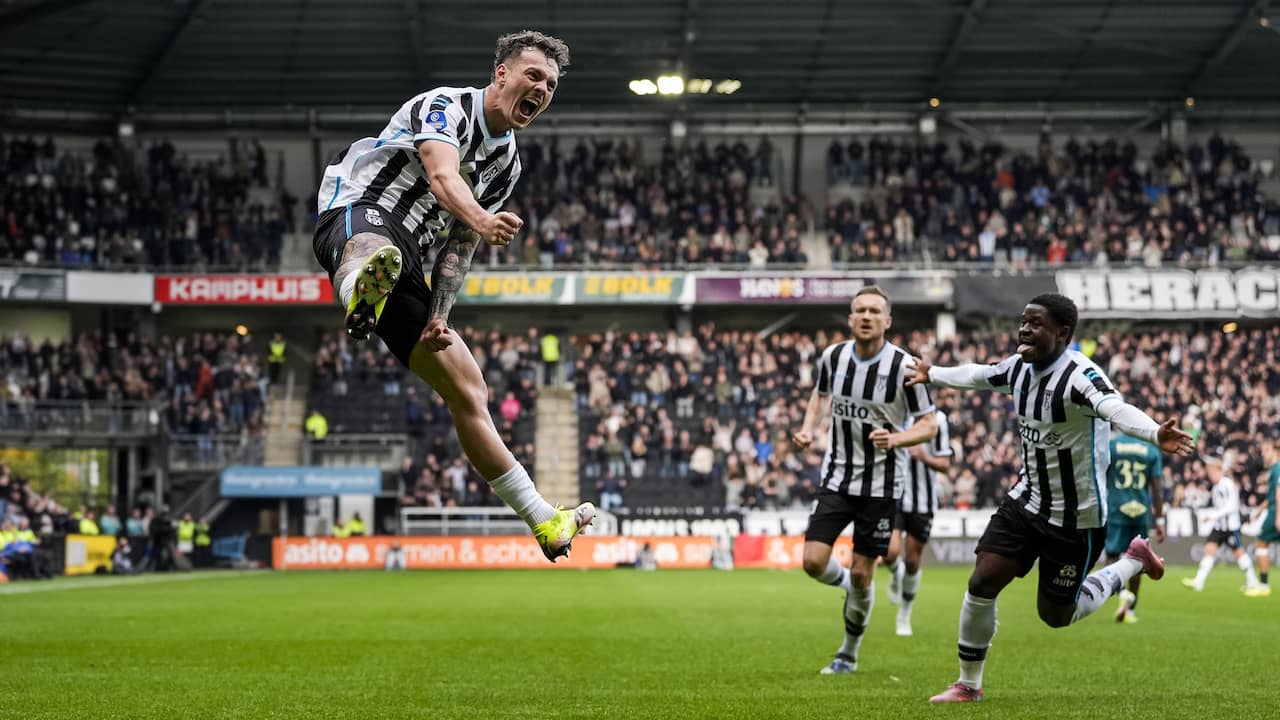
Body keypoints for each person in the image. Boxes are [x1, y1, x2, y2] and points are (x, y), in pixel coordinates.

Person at [311, 30, 591, 562]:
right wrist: (485, 220)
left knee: (470, 392)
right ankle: (357, 291)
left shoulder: (506, 164)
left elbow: (459, 249)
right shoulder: (446, 107)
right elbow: (442, 177)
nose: (543, 89)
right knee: (370, 246)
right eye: (534, 75)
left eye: (551, 85)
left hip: (407, 262)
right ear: (502, 74)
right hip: (360, 210)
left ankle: (543, 518)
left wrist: (439, 315)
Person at [907, 293, 1194, 703]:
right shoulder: (1018, 368)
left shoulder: (1081, 376)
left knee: (1057, 616)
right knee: (983, 579)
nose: (1024, 329)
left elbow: (1114, 408)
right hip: (1026, 501)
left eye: (1035, 323)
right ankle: (968, 684)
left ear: (1062, 333)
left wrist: (1153, 432)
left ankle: (1132, 562)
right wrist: (932, 372)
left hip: (1076, 516)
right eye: (1023, 321)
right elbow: (977, 375)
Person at [791, 286, 938, 675]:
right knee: (812, 562)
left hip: (882, 486)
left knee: (862, 571)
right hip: (837, 477)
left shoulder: (907, 367)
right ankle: (851, 588)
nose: (867, 316)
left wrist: (897, 439)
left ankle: (848, 654)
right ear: (851, 318)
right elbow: (819, 396)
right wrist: (809, 429)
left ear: (887, 321)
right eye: (860, 310)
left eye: (875, 311)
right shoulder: (833, 356)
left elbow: (929, 424)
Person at [884, 407, 953, 637]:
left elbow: (944, 464)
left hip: (922, 502)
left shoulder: (939, 420)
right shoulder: (892, 412)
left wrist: (924, 456)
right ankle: (896, 575)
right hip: (894, 495)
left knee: (913, 561)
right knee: (890, 552)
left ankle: (904, 613)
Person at [1104, 432, 1165, 623]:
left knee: (1112, 555)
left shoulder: (1111, 446)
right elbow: (1156, 488)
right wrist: (1160, 520)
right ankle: (1131, 611)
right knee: (1139, 561)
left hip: (1116, 508)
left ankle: (1122, 593)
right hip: (1140, 511)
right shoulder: (1151, 450)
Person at [1183, 454, 1262, 594]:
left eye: (1212, 471)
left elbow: (1231, 506)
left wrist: (1212, 515)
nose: (1210, 474)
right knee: (1209, 549)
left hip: (1230, 527)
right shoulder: (1216, 487)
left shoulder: (1227, 484)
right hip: (1219, 527)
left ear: (1219, 470)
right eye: (1209, 472)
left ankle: (1252, 581)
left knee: (1239, 553)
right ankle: (1199, 582)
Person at [1246, 439, 1278, 597]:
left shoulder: (1277, 468)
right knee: (1262, 543)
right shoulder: (1273, 469)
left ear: (1275, 450)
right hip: (1272, 509)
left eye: (1266, 450)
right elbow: (1272, 495)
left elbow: (1279, 493)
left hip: (1276, 512)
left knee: (1261, 543)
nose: (1263, 454)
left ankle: (1263, 585)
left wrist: (1278, 516)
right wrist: (1260, 509)